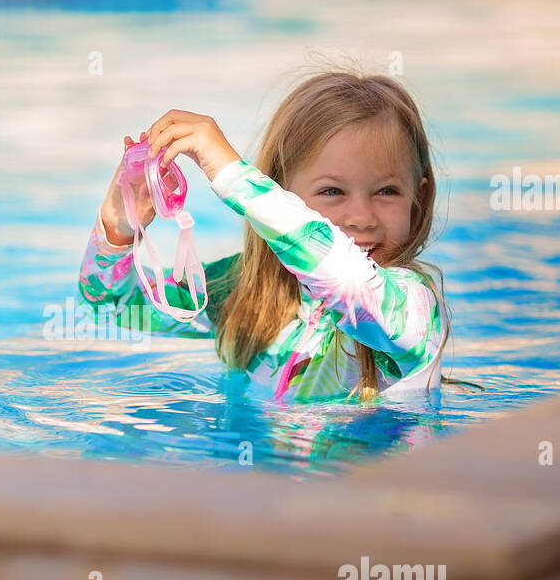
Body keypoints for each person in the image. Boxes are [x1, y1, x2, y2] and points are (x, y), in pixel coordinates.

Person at [78, 71, 455, 403]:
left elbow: (349, 282)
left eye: (387, 191)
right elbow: (113, 303)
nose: (361, 217)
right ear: (281, 191)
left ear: (417, 198)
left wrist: (231, 175)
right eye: (333, 192)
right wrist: (121, 222)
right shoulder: (246, 292)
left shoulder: (414, 306)